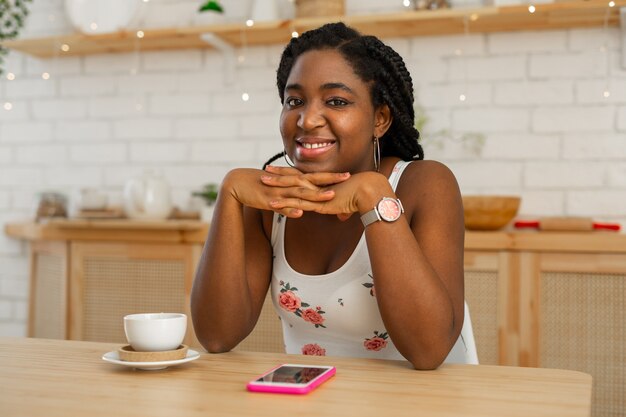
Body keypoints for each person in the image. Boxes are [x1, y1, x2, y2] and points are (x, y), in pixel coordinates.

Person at [191, 22, 466, 370]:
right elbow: (217, 336)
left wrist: (373, 196)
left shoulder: (424, 185)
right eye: (295, 101)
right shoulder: (271, 202)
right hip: (311, 401)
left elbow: (429, 352)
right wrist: (229, 194)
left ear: (380, 119)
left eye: (336, 101)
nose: (307, 120)